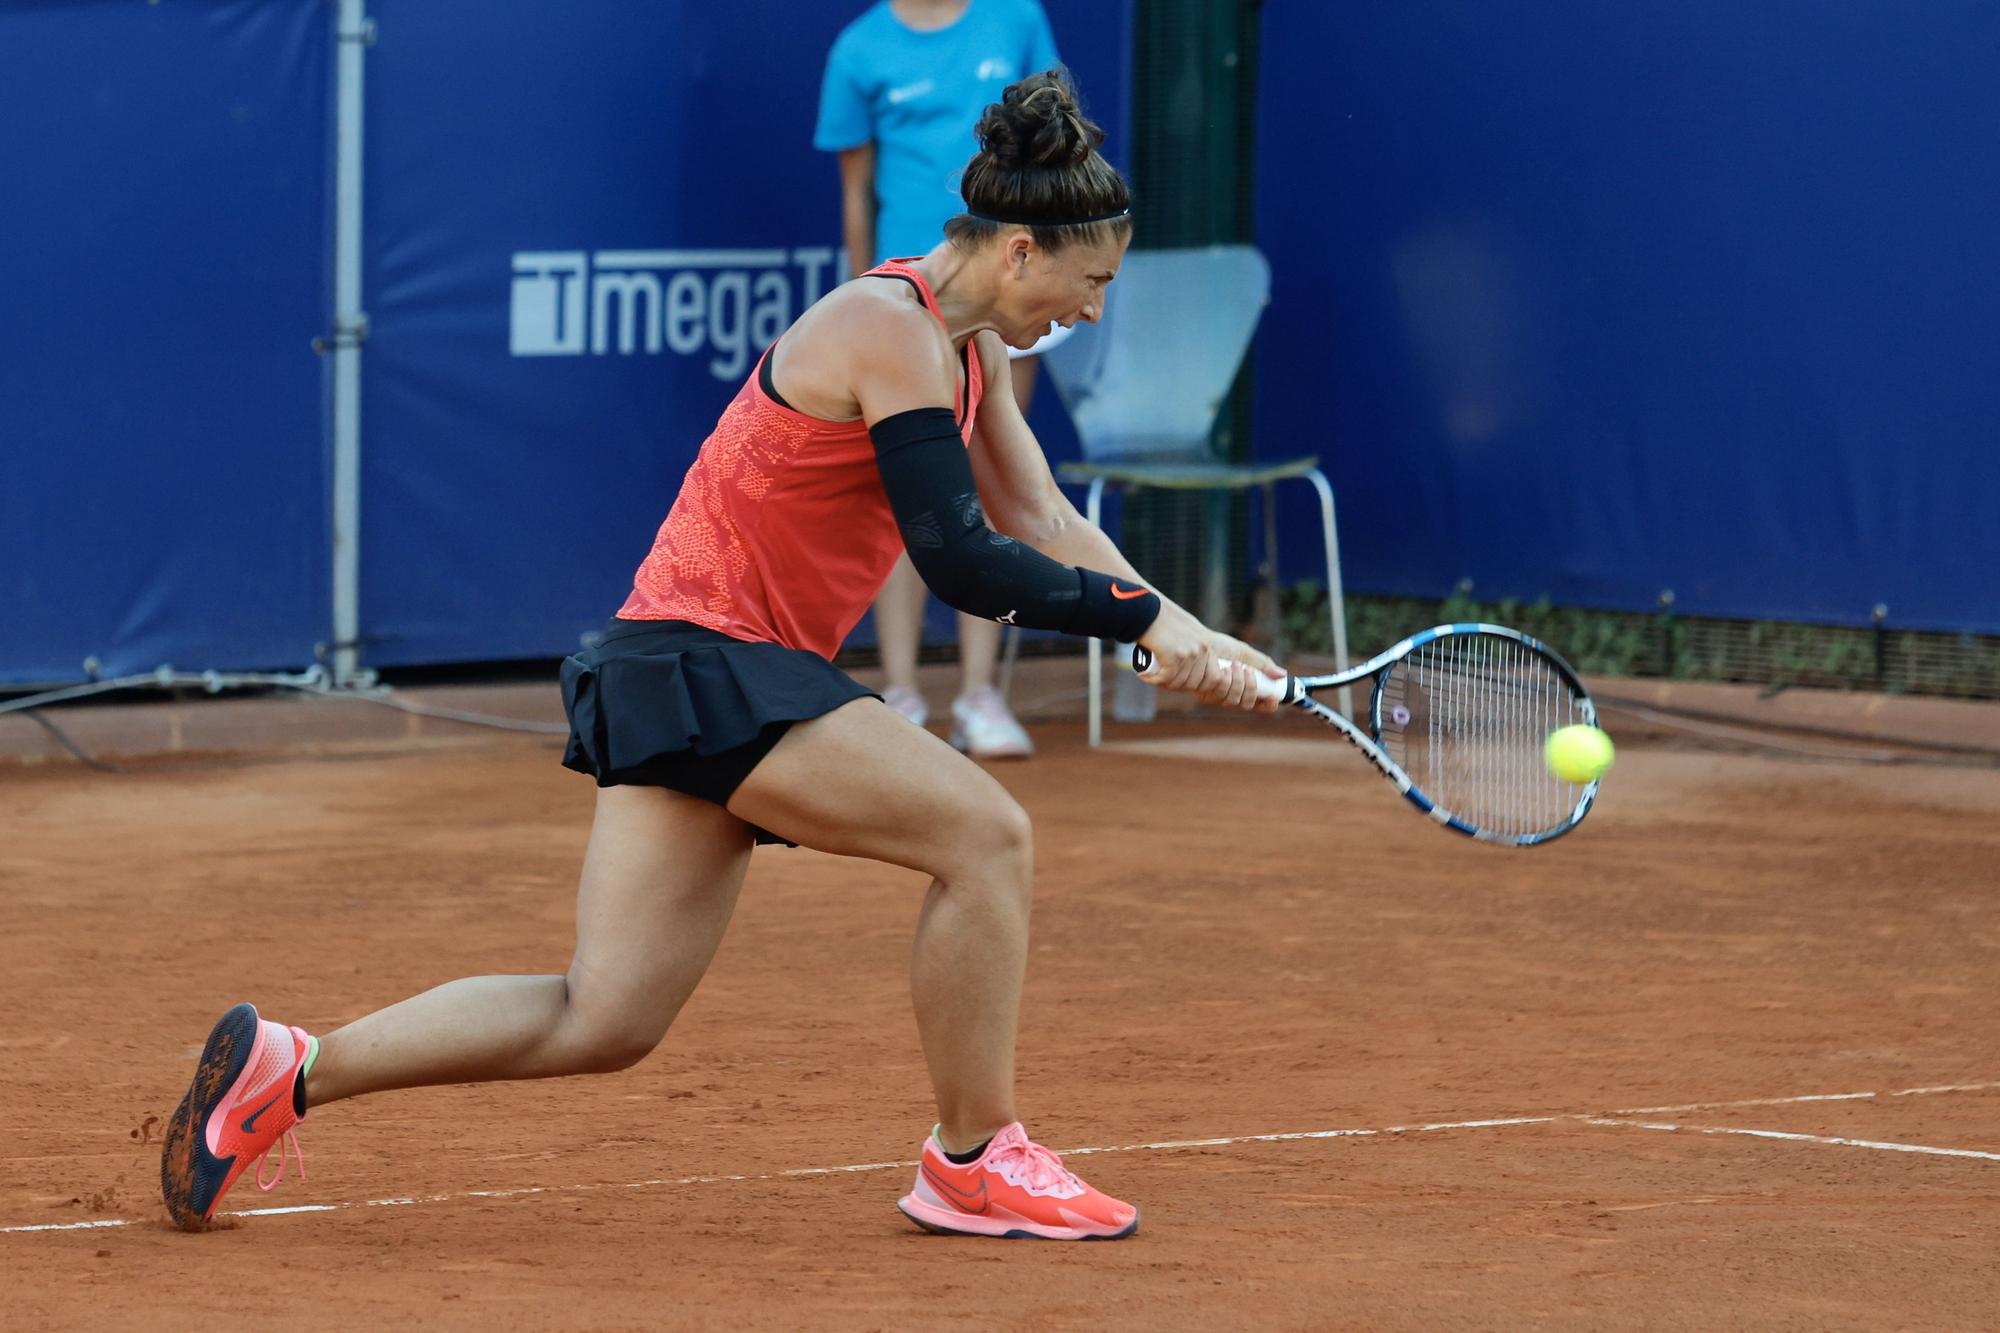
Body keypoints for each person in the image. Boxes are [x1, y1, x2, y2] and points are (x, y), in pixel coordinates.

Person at [160, 71, 1281, 1243]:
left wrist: (1182, 626)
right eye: (1090, 280)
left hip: (689, 670)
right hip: (711, 659)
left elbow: (1043, 520)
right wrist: (1139, 625)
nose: (1093, 310)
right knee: (986, 837)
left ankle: (287, 1071)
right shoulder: (881, 326)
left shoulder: (969, 350)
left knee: (601, 1017)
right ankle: (972, 1155)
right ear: (1016, 250)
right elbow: (959, 560)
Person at [816, 0, 1064, 758]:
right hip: (906, 303)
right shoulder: (859, 50)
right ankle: (899, 693)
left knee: (991, 487)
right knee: (903, 495)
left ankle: (980, 695)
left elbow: (1051, 152)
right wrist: (868, 303)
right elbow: (857, 195)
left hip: (1009, 289)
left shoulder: (1015, 20)